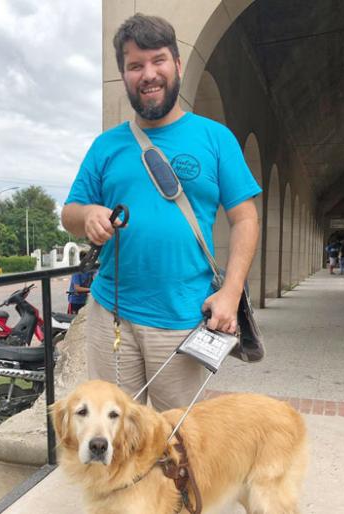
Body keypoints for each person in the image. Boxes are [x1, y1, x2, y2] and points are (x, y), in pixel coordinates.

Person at [61, 14, 261, 411]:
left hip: (182, 318)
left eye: (158, 61)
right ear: (124, 74)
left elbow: (246, 219)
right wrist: (87, 216)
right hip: (111, 316)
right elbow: (69, 212)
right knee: (115, 439)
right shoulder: (106, 146)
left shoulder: (215, 138)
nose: (148, 74)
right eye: (135, 66)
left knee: (178, 442)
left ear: (177, 65)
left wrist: (231, 292)